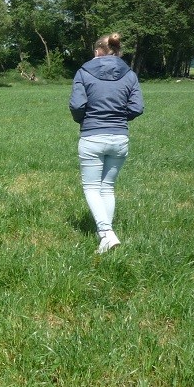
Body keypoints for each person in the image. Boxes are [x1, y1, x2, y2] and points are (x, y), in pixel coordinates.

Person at [69, 32, 143, 253]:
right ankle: (105, 239)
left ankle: (106, 233)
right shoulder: (130, 74)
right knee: (107, 187)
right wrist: (120, 118)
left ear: (97, 52)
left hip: (92, 136)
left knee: (92, 188)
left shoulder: (83, 72)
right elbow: (137, 107)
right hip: (120, 138)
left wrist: (86, 120)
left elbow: (76, 105)